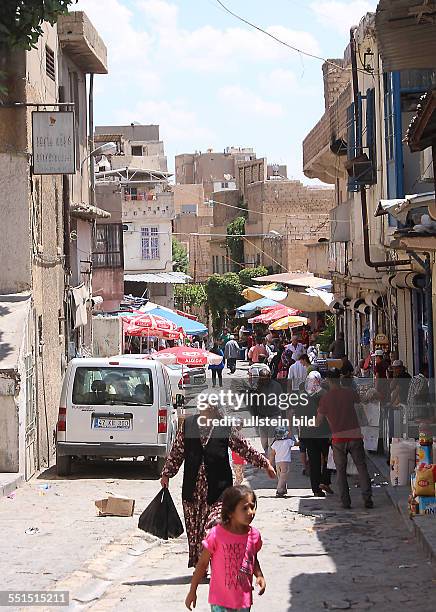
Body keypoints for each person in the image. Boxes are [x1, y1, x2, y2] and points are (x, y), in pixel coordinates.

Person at [161, 404, 276, 568]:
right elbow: (177, 452)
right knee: (196, 534)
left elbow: (244, 448)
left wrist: (265, 464)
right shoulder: (189, 425)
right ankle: (201, 565)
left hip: (220, 489)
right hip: (193, 491)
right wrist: (166, 474)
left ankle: (219, 563)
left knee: (215, 525)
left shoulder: (225, 428)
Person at [185, 485, 266, 612]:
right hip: (220, 601)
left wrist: (259, 575)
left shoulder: (254, 535)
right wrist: (192, 591)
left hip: (243, 600)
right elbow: (202, 564)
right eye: (244, 508)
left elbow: (251, 558)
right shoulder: (216, 534)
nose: (250, 512)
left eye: (252, 506)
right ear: (230, 512)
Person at [316, 369, 373, 510]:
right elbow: (361, 402)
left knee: (341, 472)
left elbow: (318, 421)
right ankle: (367, 499)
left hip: (338, 439)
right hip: (354, 435)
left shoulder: (326, 399)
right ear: (340, 378)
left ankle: (346, 501)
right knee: (362, 468)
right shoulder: (349, 392)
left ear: (328, 381)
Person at [299, 371, 333, 497]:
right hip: (322, 432)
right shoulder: (323, 394)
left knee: (314, 461)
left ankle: (316, 489)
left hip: (308, 432)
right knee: (329, 458)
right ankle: (324, 481)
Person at [252, 367, 283, 454]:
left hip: (274, 416)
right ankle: (269, 455)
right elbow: (253, 404)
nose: (265, 380)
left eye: (266, 378)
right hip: (262, 417)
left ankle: (271, 461)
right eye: (263, 378)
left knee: (271, 441)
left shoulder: (277, 385)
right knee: (263, 442)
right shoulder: (256, 387)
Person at [269, 426, 295, 497]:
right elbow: (296, 443)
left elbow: (272, 454)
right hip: (285, 461)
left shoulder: (275, 443)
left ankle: (283, 489)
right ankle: (279, 489)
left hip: (278, 462)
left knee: (280, 476)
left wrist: (270, 463)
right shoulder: (288, 441)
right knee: (284, 475)